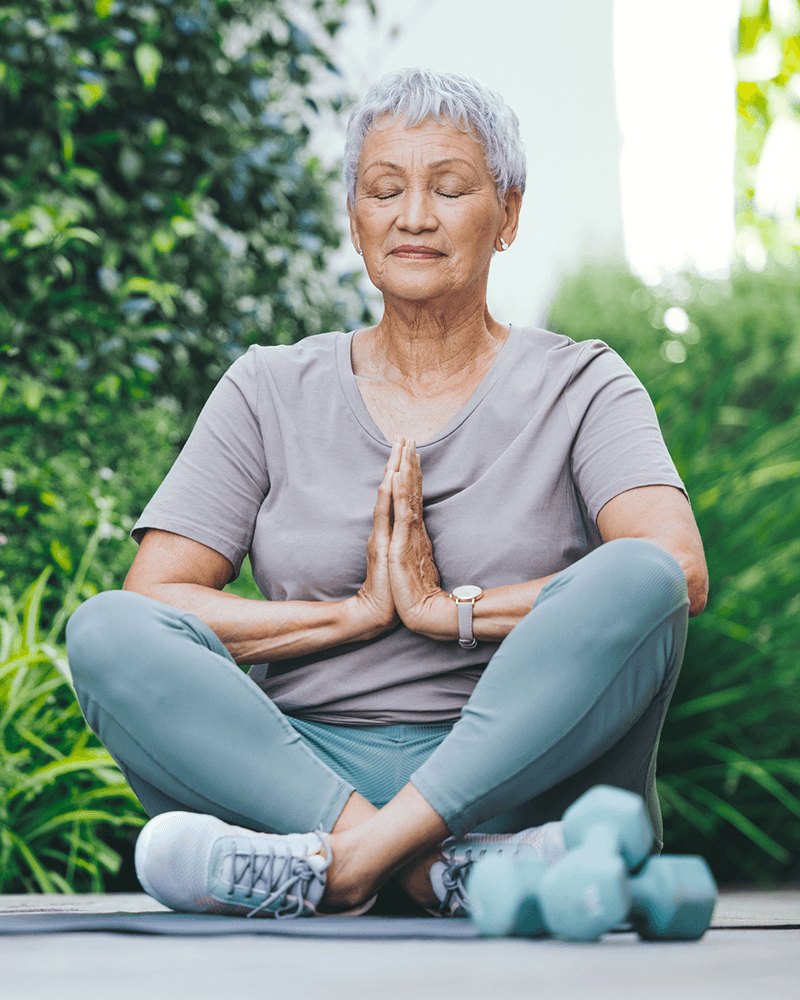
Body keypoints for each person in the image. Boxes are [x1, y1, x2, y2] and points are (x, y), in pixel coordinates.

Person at [65, 67, 708, 919]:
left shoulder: (584, 384)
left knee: (642, 576)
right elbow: (160, 597)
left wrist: (449, 611)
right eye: (384, 190)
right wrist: (357, 613)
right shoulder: (267, 388)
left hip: (520, 781)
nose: (414, 217)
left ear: (507, 214)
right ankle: (438, 872)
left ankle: (340, 869)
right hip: (298, 779)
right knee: (108, 626)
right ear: (355, 217)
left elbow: (677, 571)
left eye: (450, 188)